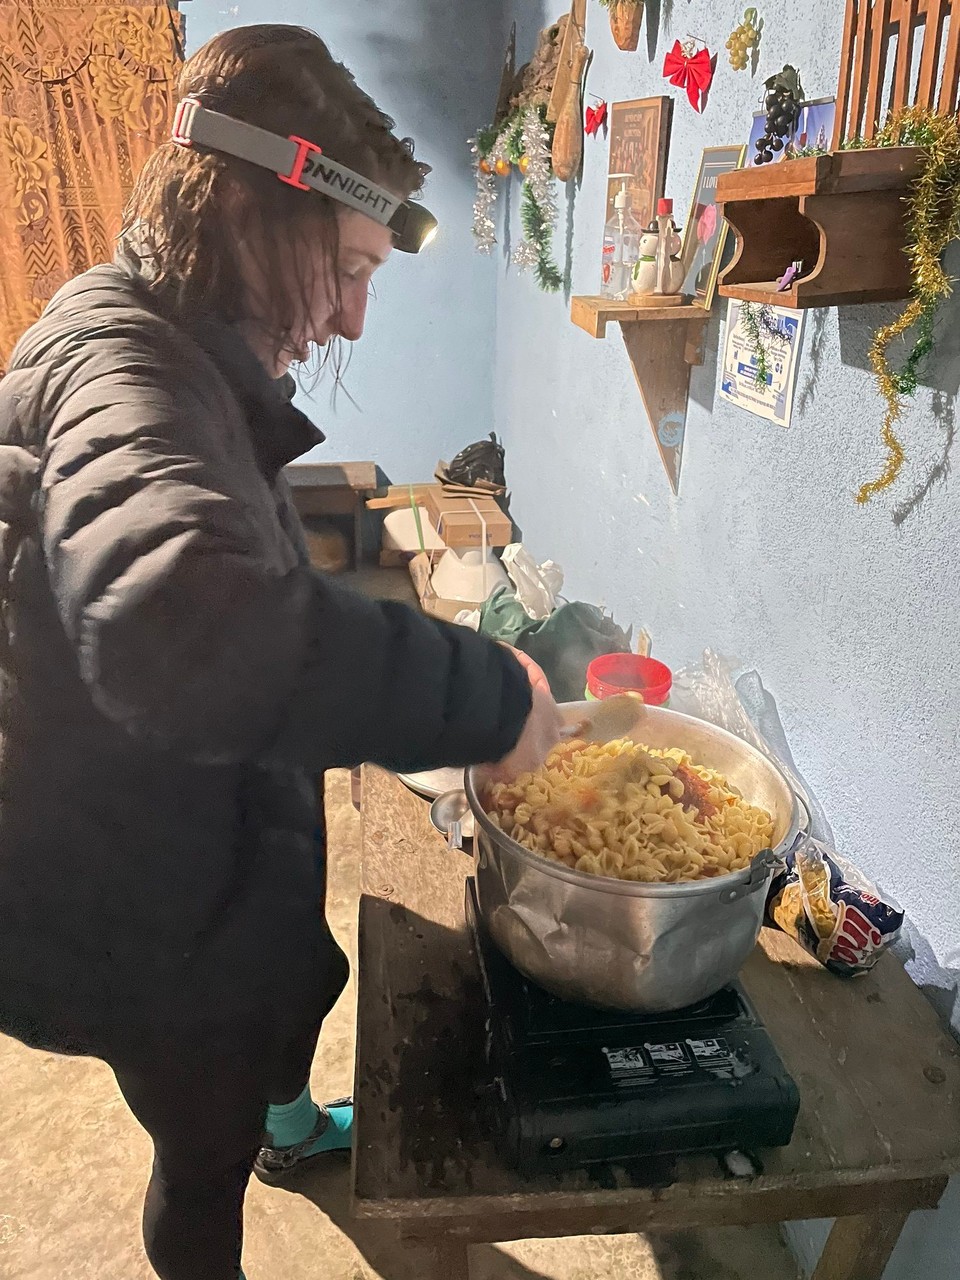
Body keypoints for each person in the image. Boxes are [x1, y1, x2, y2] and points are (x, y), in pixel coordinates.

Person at [0, 24, 561, 1280]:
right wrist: (476, 692)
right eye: (350, 265)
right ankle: (234, 1171)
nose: (354, 316)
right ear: (257, 213)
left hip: (198, 833)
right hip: (117, 894)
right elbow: (178, 623)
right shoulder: (120, 368)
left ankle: (291, 1124)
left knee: (290, 977)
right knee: (195, 1153)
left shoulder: (173, 336)